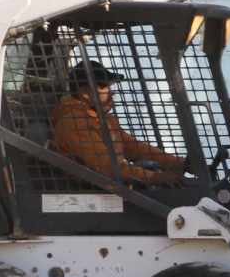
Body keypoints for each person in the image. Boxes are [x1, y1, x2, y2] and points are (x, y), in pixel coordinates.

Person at [51, 61, 188, 187]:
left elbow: (134, 148)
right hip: (94, 194)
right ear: (85, 93)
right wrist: (155, 177)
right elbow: (108, 167)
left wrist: (179, 164)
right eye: (105, 87)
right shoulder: (73, 123)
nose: (112, 93)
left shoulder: (103, 119)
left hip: (112, 189)